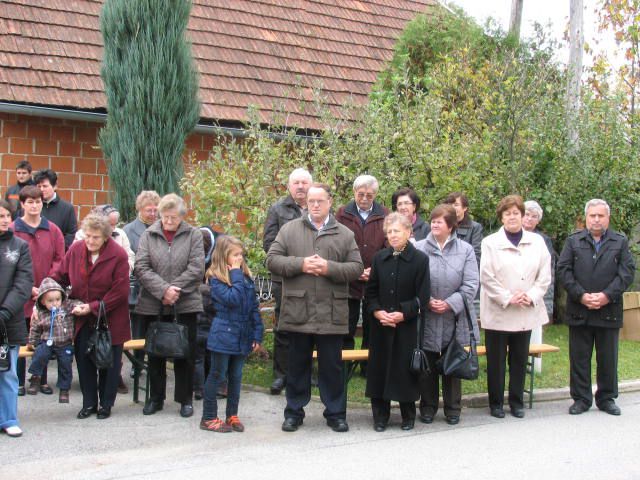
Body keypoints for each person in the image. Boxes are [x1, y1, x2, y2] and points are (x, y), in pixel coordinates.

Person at [267, 183, 363, 433]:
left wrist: (329, 268)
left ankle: (336, 414)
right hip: (299, 311)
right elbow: (272, 260)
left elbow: (356, 268)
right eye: (311, 201)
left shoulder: (345, 233)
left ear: (330, 202)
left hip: (332, 312)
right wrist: (301, 265)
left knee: (332, 367)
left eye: (320, 201)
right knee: (297, 365)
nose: (315, 205)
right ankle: (294, 413)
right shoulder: (289, 230)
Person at [557, 199, 635, 416]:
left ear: (608, 218)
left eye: (601, 215)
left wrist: (606, 296)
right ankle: (581, 399)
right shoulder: (573, 241)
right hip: (579, 309)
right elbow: (563, 270)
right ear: (586, 218)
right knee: (579, 358)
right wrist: (581, 295)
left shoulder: (619, 241)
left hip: (608, 310)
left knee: (608, 358)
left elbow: (626, 272)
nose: (597, 219)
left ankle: (607, 398)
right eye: (593, 216)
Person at [50, 213, 130, 420]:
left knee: (108, 363)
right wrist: (47, 290)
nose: (90, 241)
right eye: (87, 236)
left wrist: (93, 307)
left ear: (105, 237)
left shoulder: (118, 254)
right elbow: (60, 275)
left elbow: (120, 292)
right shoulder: (76, 250)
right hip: (82, 318)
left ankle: (106, 404)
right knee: (84, 362)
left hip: (110, 318)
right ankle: (89, 404)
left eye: (95, 237)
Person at [480, 195, 551, 419]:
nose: (512, 217)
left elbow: (545, 275)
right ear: (501, 217)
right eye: (507, 213)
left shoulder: (537, 242)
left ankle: (517, 402)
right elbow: (487, 276)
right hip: (499, 310)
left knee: (519, 359)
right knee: (496, 361)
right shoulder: (490, 242)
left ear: (523, 216)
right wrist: (508, 297)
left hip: (524, 310)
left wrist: (529, 296)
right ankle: (496, 403)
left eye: (516, 213)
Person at [135, 193, 204, 418]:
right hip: (154, 304)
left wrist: (174, 290)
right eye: (165, 217)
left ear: (182, 216)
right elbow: (142, 267)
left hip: (185, 303)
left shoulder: (193, 235)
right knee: (156, 353)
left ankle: (185, 399)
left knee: (185, 352)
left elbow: (196, 268)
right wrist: (163, 290)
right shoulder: (149, 234)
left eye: (174, 217)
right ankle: (156, 398)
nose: (169, 222)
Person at [365, 213, 430, 431]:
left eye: (397, 231)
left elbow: (423, 296)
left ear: (409, 232)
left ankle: (408, 416)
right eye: (389, 231)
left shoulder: (420, 260)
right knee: (380, 369)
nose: (393, 235)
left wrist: (404, 314)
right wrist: (377, 313)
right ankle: (380, 417)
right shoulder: (379, 258)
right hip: (381, 325)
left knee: (405, 371)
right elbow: (371, 292)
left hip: (406, 326)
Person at [415, 205, 479, 425]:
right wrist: (427, 301)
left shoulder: (466, 250)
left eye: (439, 221)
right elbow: (413, 282)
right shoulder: (420, 248)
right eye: (432, 220)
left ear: (451, 226)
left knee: (453, 360)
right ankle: (428, 407)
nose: (434, 224)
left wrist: (451, 303)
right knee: (428, 363)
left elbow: (471, 284)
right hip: (428, 316)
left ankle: (453, 408)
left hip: (455, 316)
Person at [200, 236, 264, 432]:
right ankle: (208, 417)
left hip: (243, 334)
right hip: (223, 334)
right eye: (235, 255)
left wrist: (257, 335)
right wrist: (235, 273)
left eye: (241, 254)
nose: (239, 258)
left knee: (236, 376)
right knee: (217, 375)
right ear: (223, 256)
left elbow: (253, 307)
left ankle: (232, 414)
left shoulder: (244, 277)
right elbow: (233, 299)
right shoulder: (215, 278)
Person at [11, 185, 65, 396]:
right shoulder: (13, 230)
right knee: (20, 337)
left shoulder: (53, 230)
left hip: (46, 295)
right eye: (30, 202)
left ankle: (40, 380)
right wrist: (27, 287)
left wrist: (44, 289)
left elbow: (60, 259)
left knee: (44, 337)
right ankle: (18, 381)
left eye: (38, 201)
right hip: (19, 293)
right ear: (22, 204)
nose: (34, 205)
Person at [262, 168, 312, 395]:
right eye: (296, 183)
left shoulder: (317, 206)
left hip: (313, 277)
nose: (300, 186)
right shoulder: (277, 209)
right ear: (289, 186)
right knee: (284, 325)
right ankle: (281, 375)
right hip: (285, 277)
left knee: (310, 324)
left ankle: (306, 373)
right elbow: (269, 244)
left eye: (304, 182)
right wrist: (296, 261)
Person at [335, 175, 388, 354]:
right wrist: (354, 270)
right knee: (346, 326)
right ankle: (344, 366)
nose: (365, 198)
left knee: (372, 326)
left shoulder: (385, 214)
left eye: (369, 195)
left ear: (376, 194)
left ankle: (369, 367)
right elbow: (336, 244)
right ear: (354, 192)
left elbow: (389, 245)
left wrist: (375, 270)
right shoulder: (342, 213)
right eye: (361, 194)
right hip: (349, 280)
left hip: (375, 280)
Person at [0, 199, 33, 437]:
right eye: (0, 216)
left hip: (7, 322)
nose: (4, 220)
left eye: (7, 216)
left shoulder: (19, 246)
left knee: (7, 372)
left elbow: (23, 284)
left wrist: (4, 312)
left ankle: (8, 418)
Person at [123, 191, 160, 382]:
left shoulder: (163, 227)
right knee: (138, 326)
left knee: (155, 326)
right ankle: (136, 364)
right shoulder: (129, 230)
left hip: (158, 285)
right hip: (137, 286)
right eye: (149, 210)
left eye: (155, 209)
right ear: (140, 209)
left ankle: (155, 362)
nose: (153, 213)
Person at [26, 278, 80, 403]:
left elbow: (77, 302)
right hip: (47, 342)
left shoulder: (66, 307)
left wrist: (80, 306)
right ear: (43, 301)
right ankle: (35, 378)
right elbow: (35, 329)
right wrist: (33, 342)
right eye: (50, 301)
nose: (55, 303)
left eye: (57, 299)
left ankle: (64, 390)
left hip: (65, 343)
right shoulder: (41, 313)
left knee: (65, 365)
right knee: (40, 355)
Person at [76, 205, 135, 274]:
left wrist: (124, 270)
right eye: (110, 224)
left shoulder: (121, 234)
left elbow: (130, 256)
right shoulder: (83, 234)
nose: (113, 229)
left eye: (115, 224)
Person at [523, 200, 557, 319]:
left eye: (534, 216)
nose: (529, 219)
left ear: (538, 220)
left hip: (535, 288)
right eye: (527, 214)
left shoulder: (543, 240)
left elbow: (547, 266)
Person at [32, 169, 77, 250]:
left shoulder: (67, 208)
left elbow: (71, 234)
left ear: (55, 186)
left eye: (45, 186)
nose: (41, 189)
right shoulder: (32, 207)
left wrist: (57, 249)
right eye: (39, 186)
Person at [443, 192, 483, 267]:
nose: (452, 207)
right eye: (450, 205)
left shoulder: (475, 227)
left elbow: (476, 255)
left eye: (456, 205)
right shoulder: (441, 225)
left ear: (465, 208)